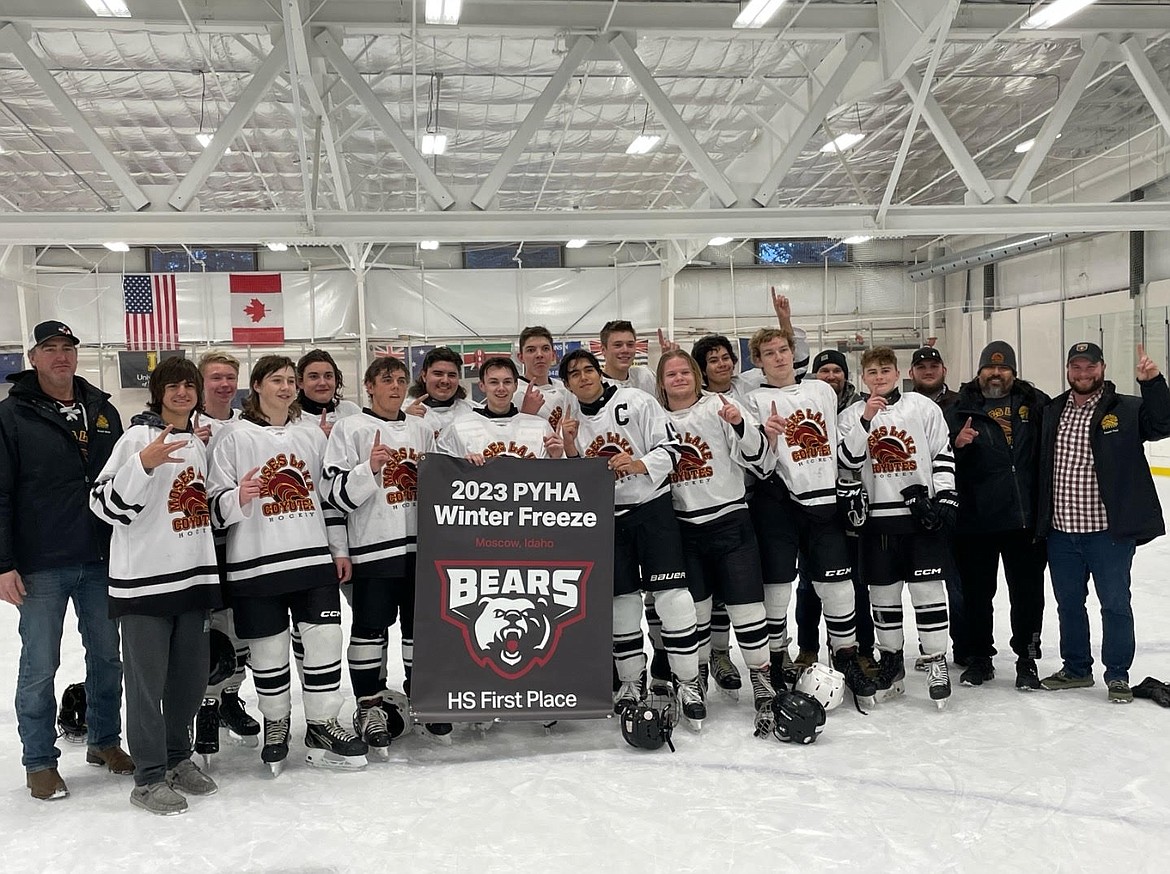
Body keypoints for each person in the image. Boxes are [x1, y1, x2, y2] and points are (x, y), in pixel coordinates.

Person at [207, 355, 367, 773]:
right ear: (256, 385)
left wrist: (339, 549)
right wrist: (236, 497)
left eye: (290, 381)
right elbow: (211, 505)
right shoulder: (234, 437)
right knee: (269, 651)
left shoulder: (313, 435)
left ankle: (321, 722)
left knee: (324, 643)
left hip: (312, 560)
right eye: (276, 380)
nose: (286, 388)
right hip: (255, 565)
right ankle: (276, 722)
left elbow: (330, 499)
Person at [0, 320, 133, 801]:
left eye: (68, 348)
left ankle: (103, 741)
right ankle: (39, 760)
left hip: (100, 556)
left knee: (107, 657)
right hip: (42, 561)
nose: (61, 356)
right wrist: (3, 562)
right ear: (32, 358)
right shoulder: (11, 416)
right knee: (40, 663)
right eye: (50, 348)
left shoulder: (103, 410)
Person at [90, 357, 221, 815]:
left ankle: (176, 758)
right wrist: (142, 466)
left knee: (188, 682)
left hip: (194, 580)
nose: (182, 393)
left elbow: (201, 509)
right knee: (146, 686)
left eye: (190, 386)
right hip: (144, 585)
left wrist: (238, 500)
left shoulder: (197, 444)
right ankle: (147, 778)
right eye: (174, 386)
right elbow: (104, 505)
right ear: (158, 391)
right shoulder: (135, 439)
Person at [558, 349, 706, 730]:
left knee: (673, 600)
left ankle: (688, 681)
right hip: (608, 520)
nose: (583, 377)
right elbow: (578, 485)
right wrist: (571, 450)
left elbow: (674, 448)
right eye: (574, 374)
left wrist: (640, 463)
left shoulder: (636, 401)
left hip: (651, 509)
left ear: (598, 372)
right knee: (620, 605)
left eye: (588, 370)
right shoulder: (568, 420)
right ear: (568, 383)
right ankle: (629, 683)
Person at [324, 356, 451, 750]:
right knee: (369, 630)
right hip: (373, 549)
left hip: (421, 548)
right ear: (369, 386)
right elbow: (331, 494)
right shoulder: (350, 428)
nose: (395, 387)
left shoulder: (422, 427)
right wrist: (369, 470)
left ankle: (423, 699)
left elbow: (446, 479)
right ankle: (369, 705)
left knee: (420, 629)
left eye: (400, 380)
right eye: (386, 380)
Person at [744, 327, 876, 704]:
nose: (779, 357)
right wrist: (766, 438)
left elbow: (839, 448)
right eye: (769, 353)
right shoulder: (753, 400)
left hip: (825, 503)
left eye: (783, 350)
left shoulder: (821, 389)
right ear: (759, 361)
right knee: (777, 588)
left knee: (838, 586)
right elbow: (759, 464)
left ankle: (846, 656)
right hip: (777, 504)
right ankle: (773, 661)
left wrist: (865, 422)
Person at [1036, 342, 1170, 703]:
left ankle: (1117, 675)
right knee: (1068, 604)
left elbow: (1163, 423)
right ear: (1067, 369)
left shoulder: (1124, 408)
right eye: (1076, 367)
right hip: (1061, 533)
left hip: (1108, 533)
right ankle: (1077, 668)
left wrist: (1153, 383)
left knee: (1114, 604)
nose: (1083, 374)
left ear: (1103, 367)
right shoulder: (1053, 410)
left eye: (1090, 367)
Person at [656, 350, 775, 734]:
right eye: (670, 374)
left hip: (730, 522)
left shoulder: (721, 406)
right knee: (695, 615)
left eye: (684, 372)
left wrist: (741, 424)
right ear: (661, 381)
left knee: (747, 611)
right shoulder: (654, 418)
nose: (678, 378)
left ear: (696, 375)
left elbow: (761, 461)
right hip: (683, 530)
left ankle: (761, 676)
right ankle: (693, 680)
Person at [838, 346, 957, 707]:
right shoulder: (851, 414)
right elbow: (847, 461)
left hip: (919, 519)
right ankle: (892, 663)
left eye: (885, 370)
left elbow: (942, 452)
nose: (879, 377)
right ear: (863, 378)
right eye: (872, 372)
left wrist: (946, 495)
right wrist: (865, 421)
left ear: (897, 372)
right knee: (884, 598)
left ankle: (936, 661)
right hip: (878, 521)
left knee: (927, 593)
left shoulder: (923, 408)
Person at [946, 341, 1049, 690]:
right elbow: (937, 456)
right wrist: (955, 444)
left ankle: (1027, 658)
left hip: (1024, 520)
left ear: (1013, 373)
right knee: (976, 595)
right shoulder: (959, 408)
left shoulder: (1034, 403)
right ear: (979, 372)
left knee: (1028, 595)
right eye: (990, 367)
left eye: (1003, 368)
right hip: (975, 521)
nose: (996, 373)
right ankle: (979, 658)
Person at [193, 350, 260, 758]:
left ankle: (231, 696)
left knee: (241, 625)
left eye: (229, 377)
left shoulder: (246, 427)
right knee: (209, 627)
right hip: (199, 542)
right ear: (201, 383)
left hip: (243, 537)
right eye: (215, 377)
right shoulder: (185, 425)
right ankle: (204, 704)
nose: (223, 384)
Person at [792, 349, 874, 678]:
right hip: (814, 506)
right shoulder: (804, 400)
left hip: (854, 506)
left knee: (856, 581)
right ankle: (808, 647)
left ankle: (861, 650)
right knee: (809, 583)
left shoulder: (858, 407)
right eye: (823, 370)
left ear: (845, 375)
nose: (830, 375)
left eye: (836, 370)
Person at [438, 357, 564, 461]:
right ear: (482, 386)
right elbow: (441, 471)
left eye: (507, 382)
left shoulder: (540, 427)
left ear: (515, 386)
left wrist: (556, 456)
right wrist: (461, 465)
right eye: (494, 382)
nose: (501, 388)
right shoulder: (459, 427)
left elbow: (555, 479)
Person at [406, 346, 476, 439]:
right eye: (438, 374)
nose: (445, 381)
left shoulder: (472, 411)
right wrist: (404, 422)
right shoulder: (404, 410)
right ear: (424, 376)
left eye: (451, 375)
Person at [514, 326, 574, 430]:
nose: (539, 355)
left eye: (545, 349)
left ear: (553, 355)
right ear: (521, 357)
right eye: (531, 350)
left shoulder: (565, 389)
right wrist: (526, 414)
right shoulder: (513, 392)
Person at [295, 349, 361, 439]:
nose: (322, 383)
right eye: (314, 377)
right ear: (300, 382)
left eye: (328, 376)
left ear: (336, 380)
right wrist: (318, 438)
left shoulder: (351, 412)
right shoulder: (290, 417)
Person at [598, 320, 658, 395]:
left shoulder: (645, 377)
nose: (625, 350)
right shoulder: (595, 386)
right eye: (618, 345)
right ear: (603, 350)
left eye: (630, 345)